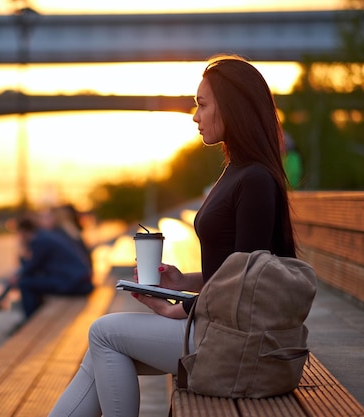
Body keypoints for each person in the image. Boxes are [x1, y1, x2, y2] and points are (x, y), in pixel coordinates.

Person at [48, 55, 297, 417]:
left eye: (202, 104)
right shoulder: (238, 171)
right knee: (102, 348)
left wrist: (178, 307)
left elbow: (246, 285)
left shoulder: (255, 179)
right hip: (218, 328)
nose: (195, 116)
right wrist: (183, 281)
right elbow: (232, 269)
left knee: (104, 333)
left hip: (233, 343)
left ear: (231, 107)